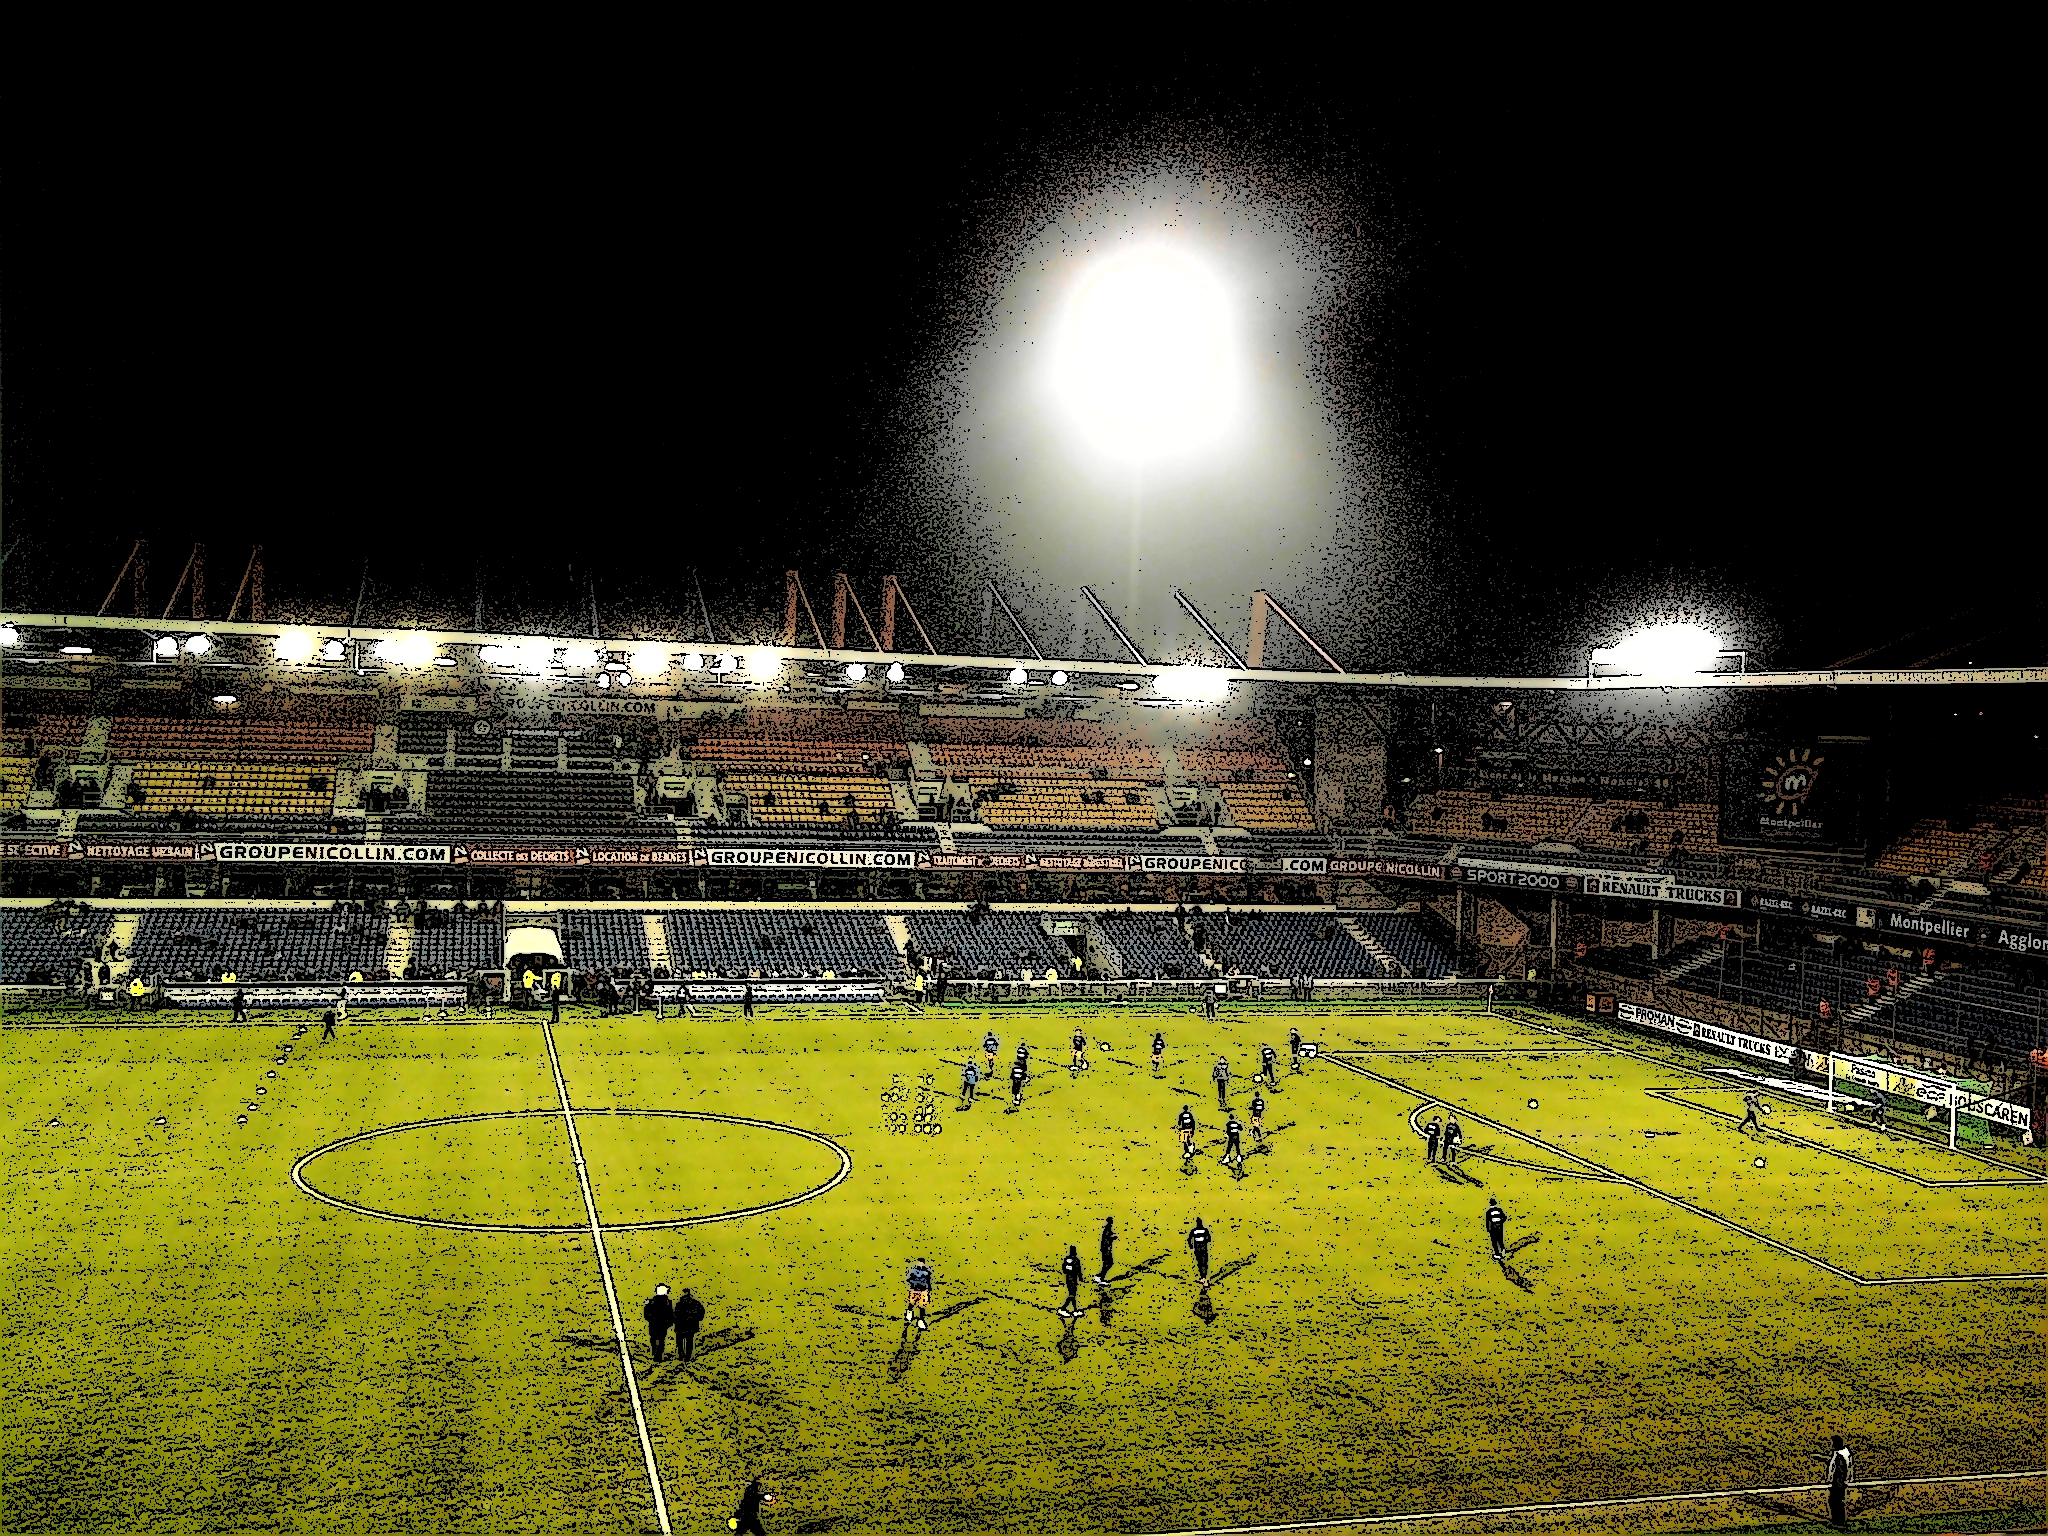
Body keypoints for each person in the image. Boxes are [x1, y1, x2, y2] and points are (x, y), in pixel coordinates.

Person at [1824, 1435, 1851, 1527]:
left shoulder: (1839, 1456)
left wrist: (1837, 1485)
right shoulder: (1845, 1452)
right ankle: (1840, 1521)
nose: (1831, 1444)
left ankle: (1837, 1522)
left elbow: (1840, 1470)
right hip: (1842, 1482)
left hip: (1838, 1483)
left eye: (1832, 1442)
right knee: (1838, 1502)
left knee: (1835, 1502)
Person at [643, 1284, 673, 1363]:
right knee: (661, 1339)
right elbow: (670, 1314)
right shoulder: (667, 1302)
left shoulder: (651, 1301)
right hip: (663, 1325)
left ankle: (654, 1352)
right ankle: (659, 1355)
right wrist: (668, 1323)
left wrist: (650, 1320)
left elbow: (646, 1313)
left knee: (653, 1338)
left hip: (653, 1324)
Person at [675, 1288, 706, 1363]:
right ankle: (687, 1356)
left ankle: (682, 1355)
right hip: (690, 1325)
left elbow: (675, 1313)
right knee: (688, 1341)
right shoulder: (695, 1303)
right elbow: (701, 1312)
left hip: (681, 1325)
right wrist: (697, 1319)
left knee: (681, 1341)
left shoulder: (680, 1303)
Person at [904, 1257, 933, 1331]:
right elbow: (909, 1279)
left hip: (923, 1291)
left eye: (921, 1263)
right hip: (914, 1290)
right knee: (912, 1303)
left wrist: (929, 1289)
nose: (920, 1264)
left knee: (922, 1306)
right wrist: (913, 1284)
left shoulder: (926, 1271)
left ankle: (921, 1321)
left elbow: (929, 1281)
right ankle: (909, 1313)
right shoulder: (914, 1271)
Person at [1060, 1244, 1084, 1316]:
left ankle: (1075, 1310)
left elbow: (1063, 1268)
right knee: (1072, 1295)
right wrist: (1080, 1278)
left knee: (1072, 1294)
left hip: (1068, 1278)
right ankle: (1063, 1308)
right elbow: (1078, 1270)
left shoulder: (1066, 1259)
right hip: (1073, 1279)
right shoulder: (1076, 1260)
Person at [1187, 1216, 1212, 1283]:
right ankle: (1205, 1276)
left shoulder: (1194, 1231)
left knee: (1200, 1263)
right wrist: (1204, 1241)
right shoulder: (1205, 1230)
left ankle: (1202, 1277)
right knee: (1205, 1262)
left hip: (1197, 1249)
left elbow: (1189, 1239)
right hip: (1204, 1248)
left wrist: (1191, 1246)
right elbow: (1209, 1238)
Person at [1486, 1196, 1507, 1262]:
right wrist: (1500, 1222)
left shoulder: (1489, 1211)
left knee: (1494, 1241)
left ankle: (1497, 1254)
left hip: (1493, 1227)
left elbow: (1488, 1221)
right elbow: (1504, 1217)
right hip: (1500, 1227)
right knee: (1500, 1239)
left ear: (1490, 1204)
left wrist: (1488, 1229)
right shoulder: (1499, 1210)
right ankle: (1503, 1250)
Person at [1098, 1217, 1116, 1283]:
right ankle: (1101, 1278)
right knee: (1109, 1263)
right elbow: (1106, 1239)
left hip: (1105, 1248)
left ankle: (1100, 1275)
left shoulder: (1108, 1228)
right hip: (1106, 1249)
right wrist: (1113, 1238)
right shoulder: (1108, 1228)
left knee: (1107, 1263)